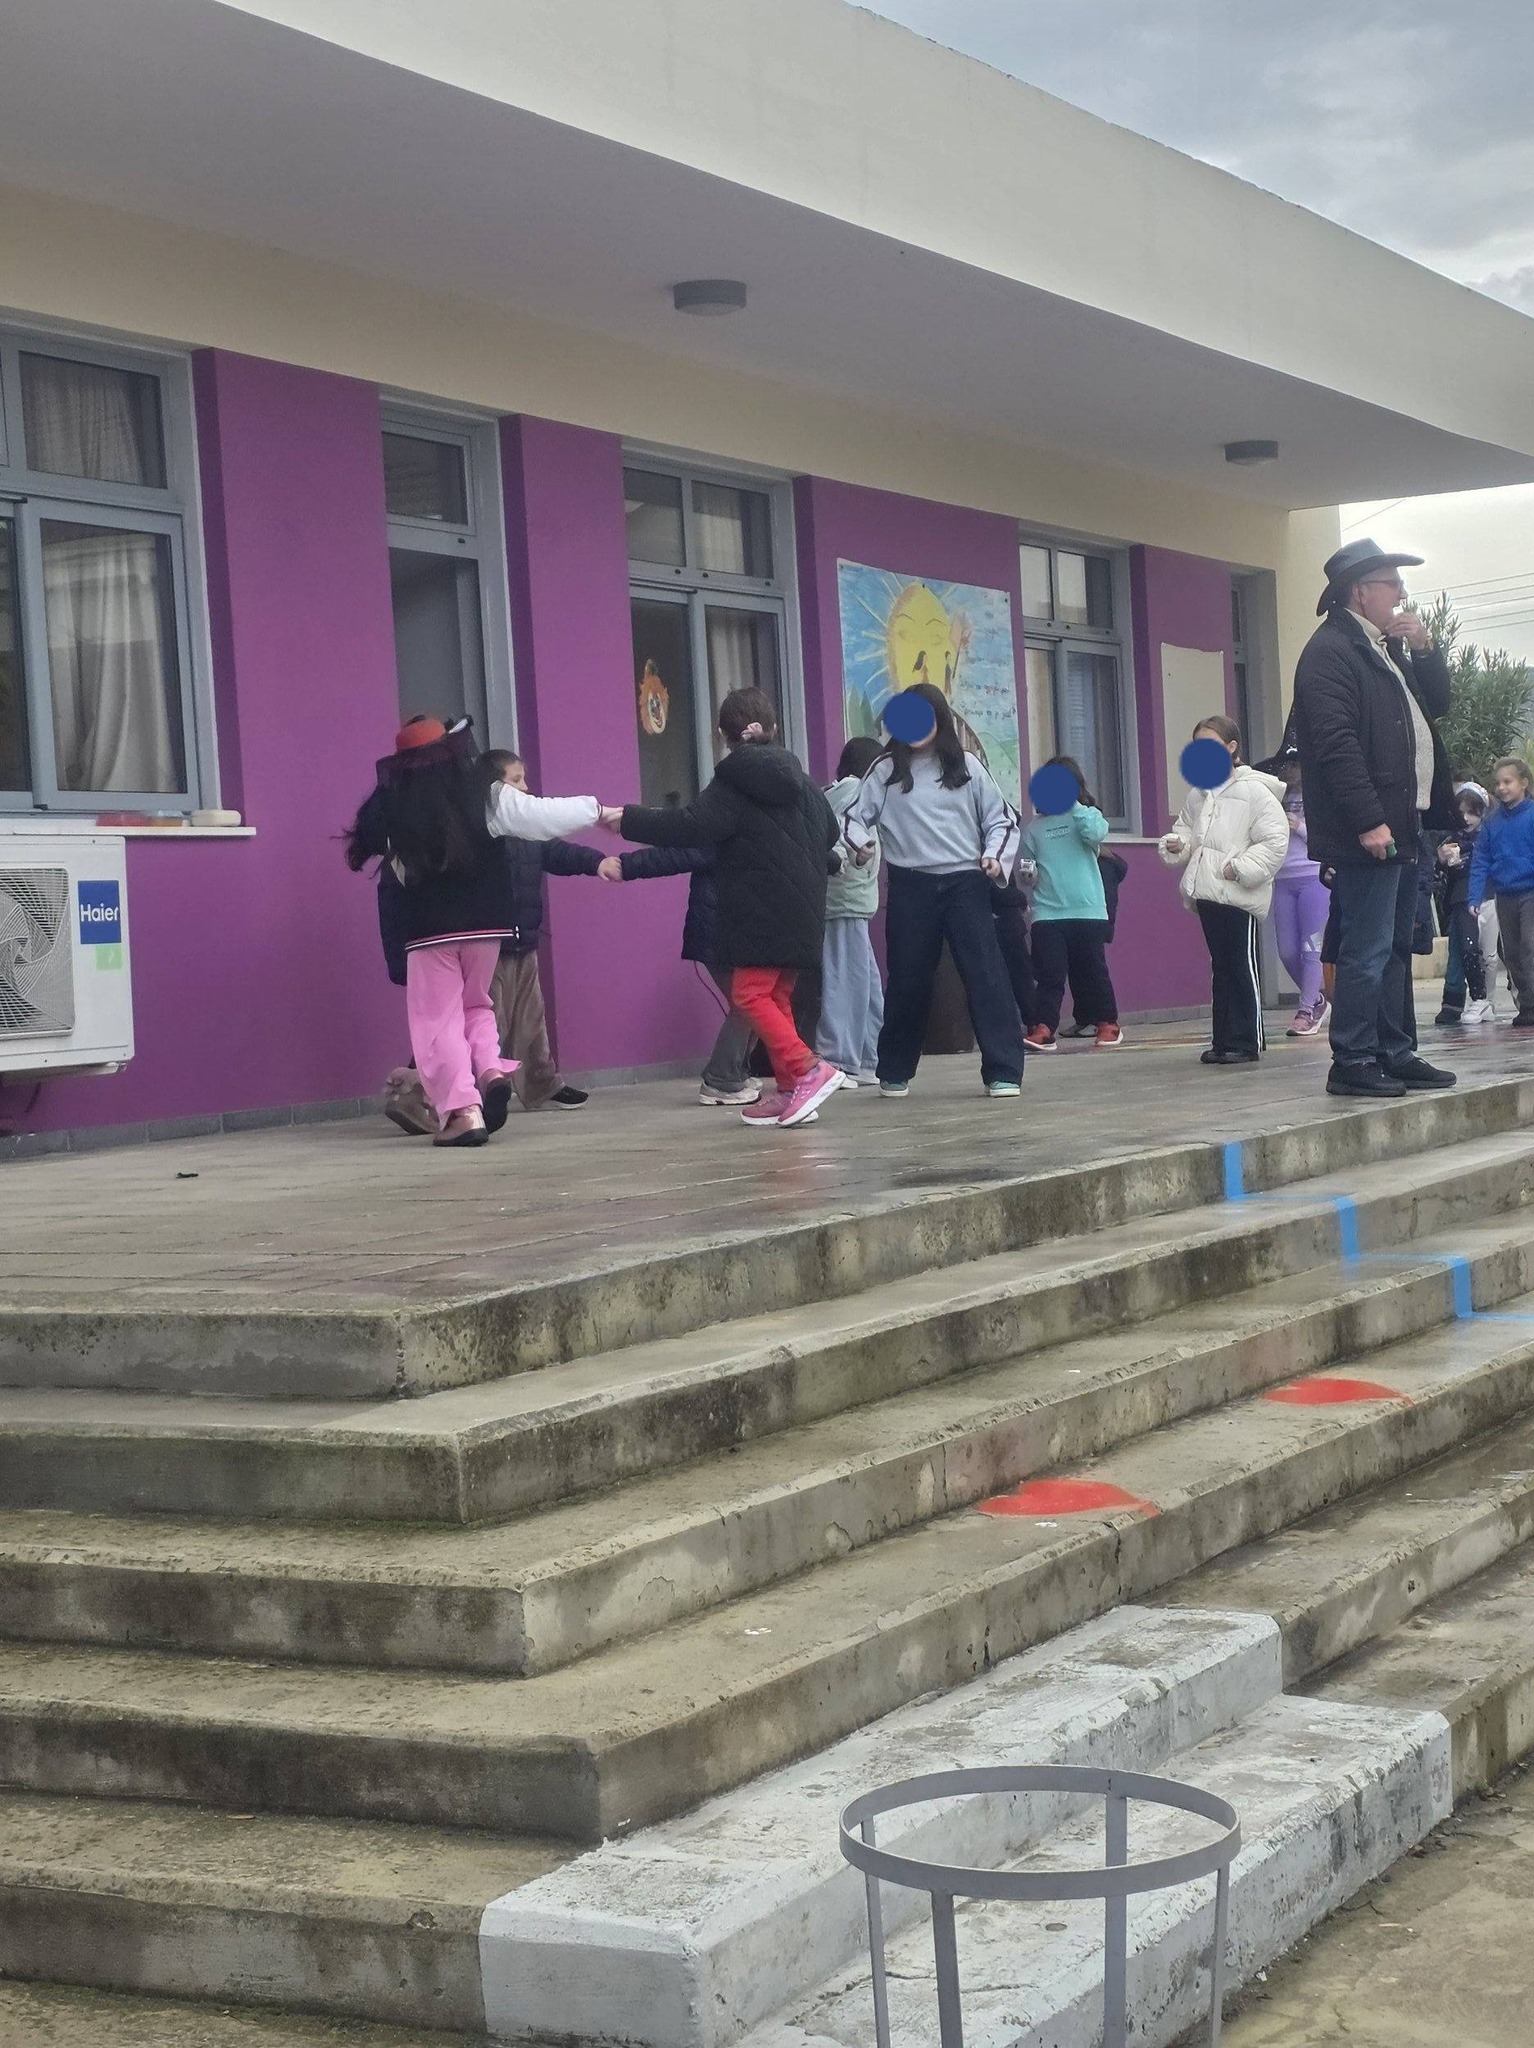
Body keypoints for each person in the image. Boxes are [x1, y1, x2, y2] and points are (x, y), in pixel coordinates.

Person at [346, 716, 602, 1147]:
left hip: (431, 932)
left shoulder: (396, 797)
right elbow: (541, 816)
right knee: (476, 1007)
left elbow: (365, 841)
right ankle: (490, 1070)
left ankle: (463, 1111)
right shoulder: (484, 793)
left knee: (436, 1022)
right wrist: (600, 812)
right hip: (488, 924)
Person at [605, 687, 843, 1129]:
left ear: (723, 735)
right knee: (777, 996)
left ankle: (807, 1069)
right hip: (805, 911)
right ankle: (790, 1088)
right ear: (773, 728)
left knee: (749, 995)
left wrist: (629, 820)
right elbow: (829, 834)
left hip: (760, 910)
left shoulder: (733, 782)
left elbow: (692, 826)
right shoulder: (806, 784)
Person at [1291, 537, 1457, 1098]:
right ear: (1360, 592)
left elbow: (1438, 705)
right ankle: (1353, 1059)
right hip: (1370, 829)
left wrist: (1425, 648)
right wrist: (1367, 819)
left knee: (1394, 947)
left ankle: (1395, 1051)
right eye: (1392, 584)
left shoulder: (1382, 649)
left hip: (1403, 822)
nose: (1401, 594)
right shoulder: (1332, 652)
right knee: (1365, 948)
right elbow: (1335, 744)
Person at [843, 681, 1026, 1098]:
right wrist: (861, 845)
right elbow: (851, 819)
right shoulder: (884, 771)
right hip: (910, 885)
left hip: (966, 882)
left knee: (985, 974)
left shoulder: (968, 766)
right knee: (908, 978)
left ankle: (1003, 1071)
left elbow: (1002, 820)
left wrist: (994, 857)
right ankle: (894, 1071)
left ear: (940, 719)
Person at [1160, 715, 1289, 1064]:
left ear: (1231, 748)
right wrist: (1177, 844)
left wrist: (1239, 868)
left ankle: (1247, 1040)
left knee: (1240, 965)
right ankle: (1223, 1040)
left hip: (1238, 892)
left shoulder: (1254, 791)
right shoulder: (1199, 793)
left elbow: (1275, 841)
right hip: (1207, 892)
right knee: (1221, 966)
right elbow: (1186, 829)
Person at [482, 751, 600, 1110]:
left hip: (525, 939)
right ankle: (464, 1091)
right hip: (491, 945)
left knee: (531, 1021)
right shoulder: (484, 832)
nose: (525, 787)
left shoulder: (529, 831)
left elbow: (558, 853)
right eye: (516, 780)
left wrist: (598, 862)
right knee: (487, 1023)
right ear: (495, 788)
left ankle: (542, 1085)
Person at [1019, 755, 1121, 1051]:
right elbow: (1027, 869)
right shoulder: (1034, 828)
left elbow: (1098, 834)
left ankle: (1107, 1023)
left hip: (1087, 910)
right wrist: (1028, 874)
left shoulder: (1086, 817)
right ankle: (1044, 1027)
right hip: (1047, 913)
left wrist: (1074, 805)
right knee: (1049, 974)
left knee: (1093, 971)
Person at [817, 736, 887, 1084]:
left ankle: (867, 1057)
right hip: (844, 903)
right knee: (845, 981)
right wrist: (849, 858)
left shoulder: (844, 791)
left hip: (851, 904)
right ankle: (837, 1060)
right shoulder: (853, 791)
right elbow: (840, 838)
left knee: (865, 984)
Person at [1264, 755, 1332, 1039]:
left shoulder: (1320, 793)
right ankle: (1317, 999)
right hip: (1283, 878)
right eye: (1285, 766)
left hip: (1312, 875)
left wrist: (1300, 827)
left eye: (1294, 765)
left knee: (1311, 948)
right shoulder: (1276, 797)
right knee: (1287, 951)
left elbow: (1329, 836)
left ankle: (1306, 1011)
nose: (1289, 770)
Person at [1470, 756, 1534, 1026]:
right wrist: (1474, 896)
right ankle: (1528, 1005)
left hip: (1530, 892)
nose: (1502, 788)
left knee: (1530, 946)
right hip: (1504, 894)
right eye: (1498, 783)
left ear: (1524, 783)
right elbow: (1481, 860)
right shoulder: (1492, 822)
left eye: (1508, 782)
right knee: (1512, 953)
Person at [1436, 788, 1492, 1025]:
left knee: (1493, 952)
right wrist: (1442, 860)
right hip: (1460, 897)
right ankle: (1454, 1002)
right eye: (1462, 814)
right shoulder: (1450, 839)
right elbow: (1439, 870)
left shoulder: (1488, 835)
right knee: (1460, 950)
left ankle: (1488, 999)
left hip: (1488, 895)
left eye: (1472, 812)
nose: (1467, 819)